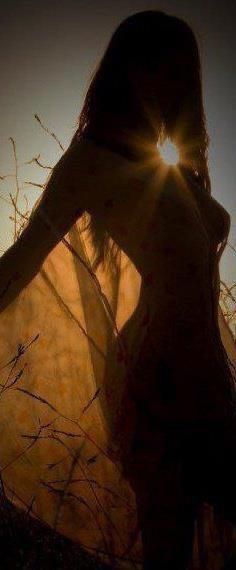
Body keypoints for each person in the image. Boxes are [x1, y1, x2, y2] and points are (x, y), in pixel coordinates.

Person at [0, 9, 236, 569]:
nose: (169, 79)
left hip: (208, 377)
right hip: (157, 379)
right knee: (168, 549)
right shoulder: (90, 159)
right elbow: (22, 258)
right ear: (125, 70)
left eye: (181, 69)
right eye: (154, 63)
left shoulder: (172, 168)